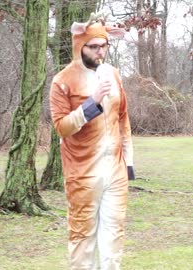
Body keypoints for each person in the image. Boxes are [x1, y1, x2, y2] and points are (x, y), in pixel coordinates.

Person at [49, 15, 134, 269]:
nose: (100, 52)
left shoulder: (114, 75)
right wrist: (92, 102)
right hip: (82, 173)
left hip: (115, 172)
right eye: (93, 46)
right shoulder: (62, 81)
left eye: (104, 46)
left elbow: (123, 119)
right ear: (80, 46)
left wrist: (128, 163)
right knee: (82, 237)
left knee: (114, 235)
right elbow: (61, 128)